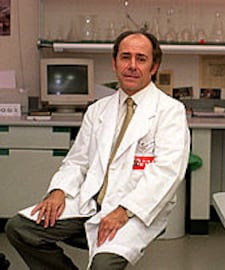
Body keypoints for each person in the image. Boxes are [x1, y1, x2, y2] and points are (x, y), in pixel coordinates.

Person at [5, 30, 190, 270]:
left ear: (153, 67)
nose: (132, 65)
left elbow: (166, 172)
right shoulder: (98, 110)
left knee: (102, 265)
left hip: (134, 209)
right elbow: (77, 160)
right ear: (114, 63)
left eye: (141, 59)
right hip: (88, 202)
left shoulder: (170, 111)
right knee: (20, 229)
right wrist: (59, 190)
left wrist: (124, 210)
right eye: (125, 57)